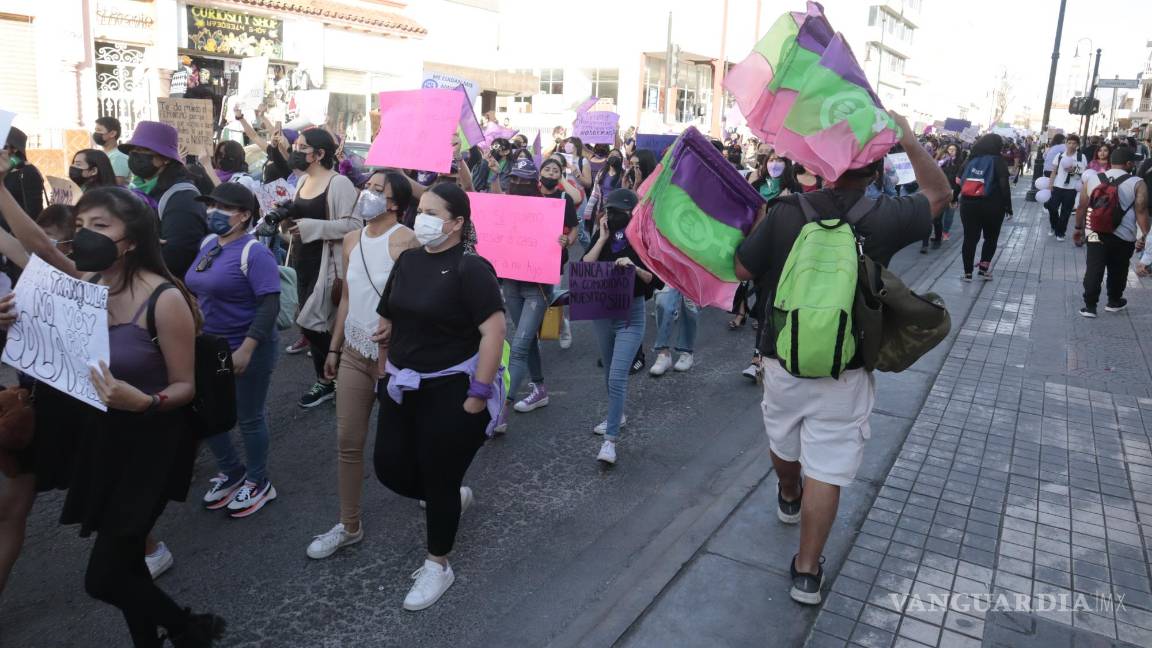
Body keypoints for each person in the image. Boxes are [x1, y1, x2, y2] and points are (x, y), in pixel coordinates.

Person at [734, 111, 950, 605]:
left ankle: (788, 494)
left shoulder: (787, 210)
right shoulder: (887, 215)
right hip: (847, 367)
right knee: (827, 468)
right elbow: (939, 196)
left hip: (781, 359)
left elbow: (743, 266)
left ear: (825, 166)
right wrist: (911, 139)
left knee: (783, 439)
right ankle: (807, 572)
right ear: (876, 172)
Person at [0, 175, 226, 645]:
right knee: (125, 565)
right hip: (103, 439)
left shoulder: (165, 299)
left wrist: (145, 400)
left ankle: (190, 629)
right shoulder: (89, 281)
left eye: (98, 225)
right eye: (79, 223)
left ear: (132, 240)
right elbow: (37, 247)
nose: (83, 234)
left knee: (102, 578)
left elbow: (185, 386)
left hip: (153, 445)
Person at [371, 183, 506, 611]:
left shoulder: (471, 268)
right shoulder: (409, 260)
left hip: (450, 390)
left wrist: (478, 396)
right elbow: (388, 314)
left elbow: (494, 331)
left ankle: (438, 563)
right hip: (400, 384)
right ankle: (446, 500)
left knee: (439, 475)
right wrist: (381, 363)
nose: (421, 218)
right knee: (389, 467)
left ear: (456, 222)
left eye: (432, 212)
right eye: (420, 210)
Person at [306, 171, 418, 559]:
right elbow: (348, 299)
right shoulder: (351, 239)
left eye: (376, 190)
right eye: (365, 187)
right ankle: (349, 524)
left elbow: (418, 300)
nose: (365, 194)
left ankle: (442, 492)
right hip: (354, 351)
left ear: (394, 202)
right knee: (348, 443)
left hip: (396, 359)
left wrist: (397, 329)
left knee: (408, 442)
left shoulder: (406, 239)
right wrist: (334, 350)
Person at [183, 183, 282, 518]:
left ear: (244, 216)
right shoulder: (209, 243)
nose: (212, 212)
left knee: (248, 417)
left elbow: (269, 306)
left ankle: (258, 481)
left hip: (246, 347)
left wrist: (247, 349)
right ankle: (232, 471)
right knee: (208, 414)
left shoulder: (255, 253)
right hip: (209, 346)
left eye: (222, 207)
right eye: (210, 205)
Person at [583, 188, 662, 465]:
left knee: (618, 376)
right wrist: (602, 237)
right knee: (609, 372)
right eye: (609, 210)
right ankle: (617, 415)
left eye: (618, 211)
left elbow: (657, 280)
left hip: (631, 315)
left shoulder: (642, 239)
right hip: (602, 313)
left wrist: (634, 268)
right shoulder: (603, 237)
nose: (612, 215)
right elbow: (584, 266)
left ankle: (610, 441)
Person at [286, 128, 362, 408]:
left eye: (302, 146)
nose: (296, 149)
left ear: (319, 154)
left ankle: (341, 373)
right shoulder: (302, 180)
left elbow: (354, 225)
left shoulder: (338, 183)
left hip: (328, 264)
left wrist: (311, 228)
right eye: (296, 144)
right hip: (302, 260)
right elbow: (299, 220)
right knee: (313, 323)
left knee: (311, 321)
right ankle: (326, 379)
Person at [118, 121, 207, 278]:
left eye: (144, 150)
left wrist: (135, 245)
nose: (136, 154)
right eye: (133, 149)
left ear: (166, 159)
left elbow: (176, 258)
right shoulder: (133, 190)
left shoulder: (182, 197)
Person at [1074, 146, 1149, 318]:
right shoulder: (1137, 182)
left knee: (1094, 267)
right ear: (1128, 163)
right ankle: (1114, 301)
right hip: (1124, 235)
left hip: (1094, 232)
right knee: (1119, 268)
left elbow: (1082, 207)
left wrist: (1078, 229)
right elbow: (1141, 212)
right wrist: (1146, 236)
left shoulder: (1092, 180)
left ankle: (1090, 306)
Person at [958, 134, 1013, 281]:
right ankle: (983, 270)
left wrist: (954, 198)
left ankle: (967, 273)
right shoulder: (998, 161)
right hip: (993, 206)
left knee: (970, 238)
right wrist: (1008, 206)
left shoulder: (971, 158)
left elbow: (958, 179)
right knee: (991, 238)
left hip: (969, 204)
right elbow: (1004, 186)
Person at [1046, 134, 1086, 241]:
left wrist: (1073, 170)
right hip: (1058, 185)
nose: (1071, 145)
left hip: (1071, 188)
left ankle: (1061, 233)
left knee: (1066, 211)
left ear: (1077, 145)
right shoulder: (1059, 156)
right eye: (1069, 143)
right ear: (1066, 143)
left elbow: (1083, 172)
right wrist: (1050, 184)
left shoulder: (1081, 157)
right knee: (1052, 207)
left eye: (1074, 143)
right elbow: (1054, 171)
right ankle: (1054, 226)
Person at [3, 128, 44, 219]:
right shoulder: (3, 170)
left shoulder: (28, 172)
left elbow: (34, 212)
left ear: (14, 149)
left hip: (15, 231)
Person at [937, 143, 964, 242]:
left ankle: (945, 232)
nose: (951, 151)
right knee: (939, 213)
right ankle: (938, 232)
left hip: (953, 190)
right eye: (949, 149)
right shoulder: (942, 161)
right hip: (941, 190)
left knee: (949, 213)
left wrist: (956, 192)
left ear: (957, 151)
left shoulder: (960, 163)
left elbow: (960, 178)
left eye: (954, 150)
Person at [94, 116, 130, 185]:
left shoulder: (118, 157)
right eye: (95, 130)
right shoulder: (102, 153)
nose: (95, 133)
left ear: (112, 134)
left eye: (99, 130)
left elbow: (116, 184)